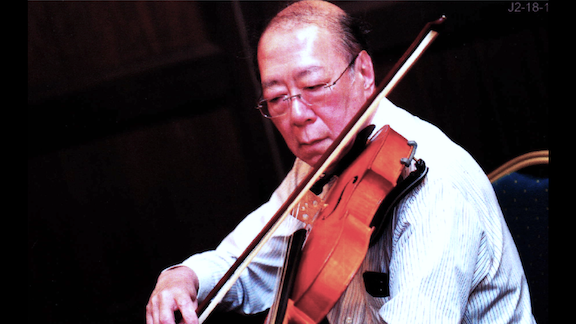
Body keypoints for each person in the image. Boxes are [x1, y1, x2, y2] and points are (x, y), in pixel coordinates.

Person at [146, 1, 535, 323]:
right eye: (277, 98)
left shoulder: (433, 183)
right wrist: (184, 277)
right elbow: (245, 259)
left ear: (364, 72)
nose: (297, 114)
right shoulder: (323, 159)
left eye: (314, 86)